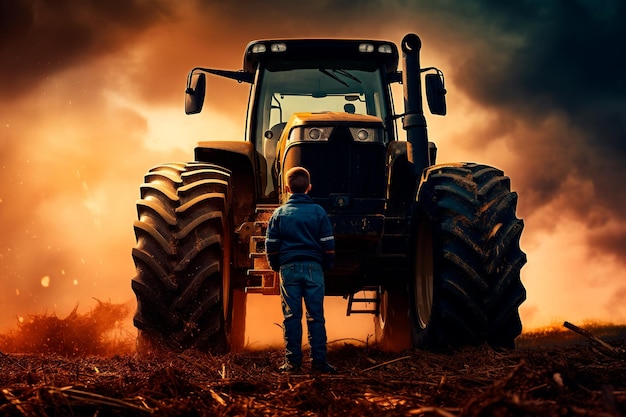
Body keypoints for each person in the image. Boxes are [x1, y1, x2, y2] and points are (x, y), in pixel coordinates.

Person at [265, 167, 336, 373]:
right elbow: (328, 244)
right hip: (314, 268)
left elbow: (271, 245)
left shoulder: (279, 214)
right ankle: (319, 362)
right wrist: (327, 266)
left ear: (287, 188)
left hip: (288, 269)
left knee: (291, 317)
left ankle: (292, 363)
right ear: (309, 187)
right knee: (316, 316)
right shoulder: (319, 212)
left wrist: (276, 267)